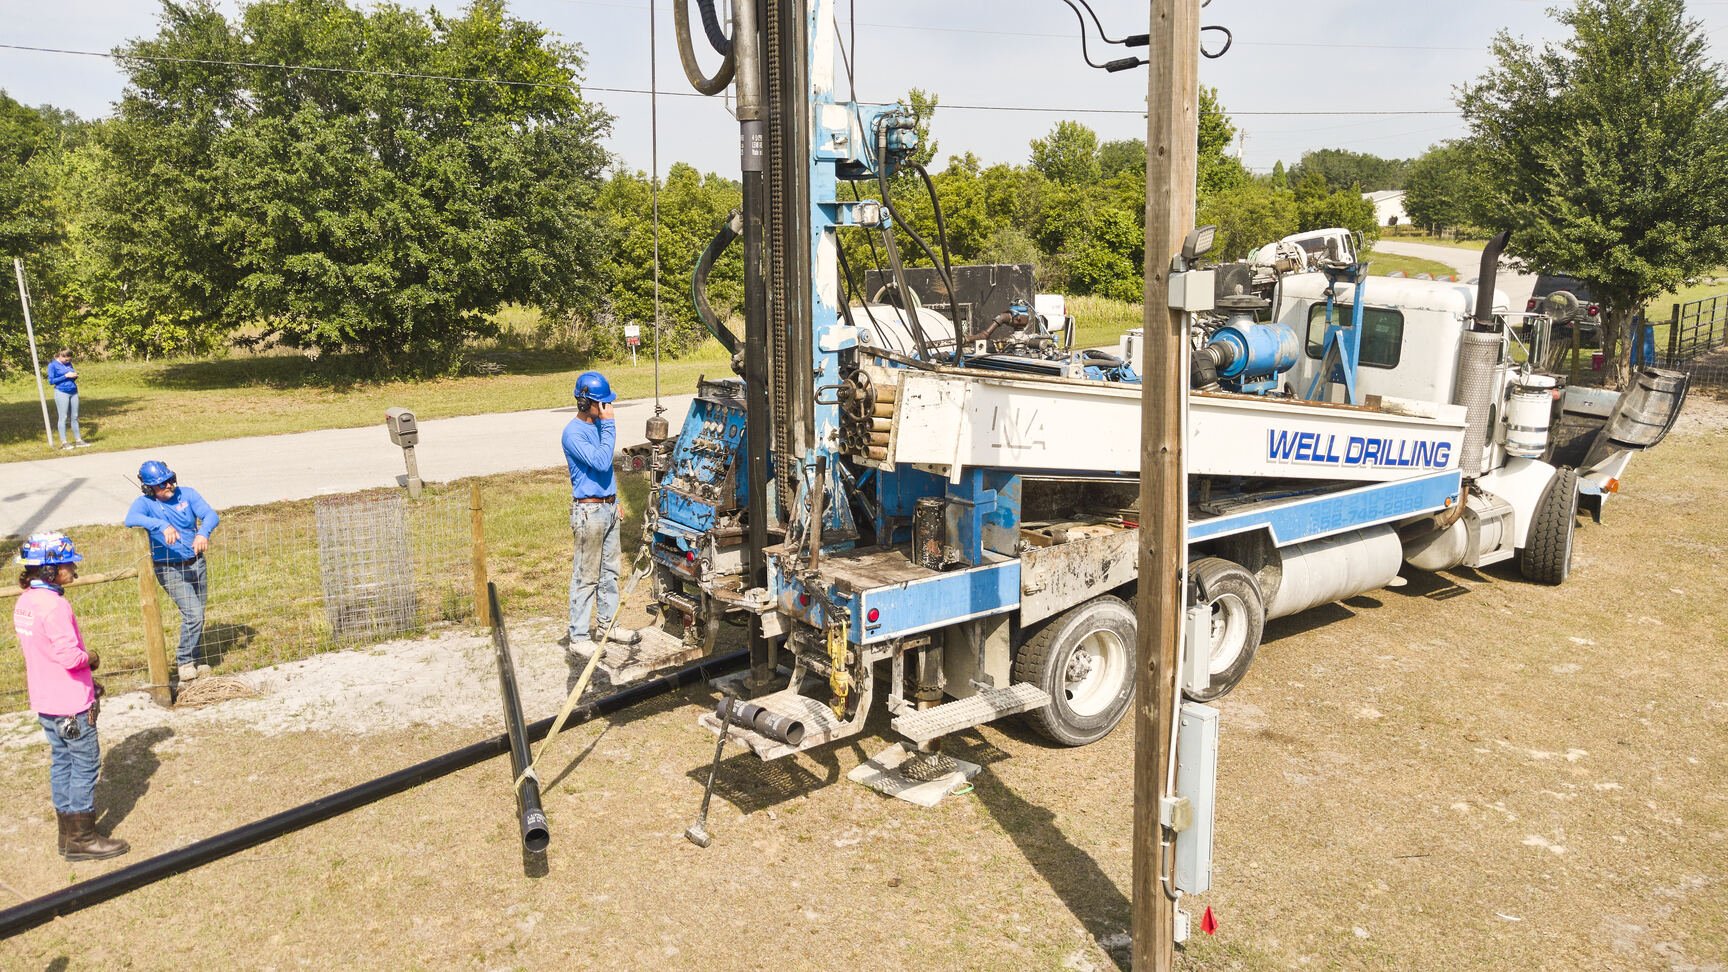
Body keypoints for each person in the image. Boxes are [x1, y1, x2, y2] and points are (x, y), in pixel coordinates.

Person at [14, 532, 129, 861]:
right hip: (71, 705)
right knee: (85, 764)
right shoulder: (55, 606)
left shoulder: (24, 603)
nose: (73, 569)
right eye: (67, 564)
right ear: (50, 570)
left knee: (62, 761)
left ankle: (66, 835)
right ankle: (82, 838)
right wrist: (90, 658)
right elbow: (68, 657)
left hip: (46, 700)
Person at [560, 371, 639, 655]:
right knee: (586, 575)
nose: (606, 408)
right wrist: (610, 425)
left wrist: (615, 498)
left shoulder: (596, 425)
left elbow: (607, 473)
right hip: (589, 511)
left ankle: (608, 626)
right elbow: (602, 460)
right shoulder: (573, 433)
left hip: (607, 507)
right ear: (584, 403)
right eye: (601, 403)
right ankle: (579, 636)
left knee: (609, 572)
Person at [123, 461, 220, 682]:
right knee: (193, 613)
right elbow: (131, 519)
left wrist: (203, 533)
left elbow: (211, 515)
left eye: (169, 480)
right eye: (160, 484)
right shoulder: (144, 503)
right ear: (148, 488)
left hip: (196, 563)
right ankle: (185, 661)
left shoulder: (188, 494)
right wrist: (160, 525)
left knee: (197, 615)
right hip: (168, 568)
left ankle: (195, 659)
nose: (168, 486)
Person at [46, 348, 89, 450]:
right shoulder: (52, 365)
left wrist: (74, 376)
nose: (68, 362)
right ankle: (64, 442)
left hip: (73, 391)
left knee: (74, 416)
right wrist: (66, 376)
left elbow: (71, 374)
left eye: (69, 360)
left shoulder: (68, 363)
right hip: (61, 392)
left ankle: (78, 440)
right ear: (60, 356)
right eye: (66, 360)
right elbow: (51, 381)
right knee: (63, 417)